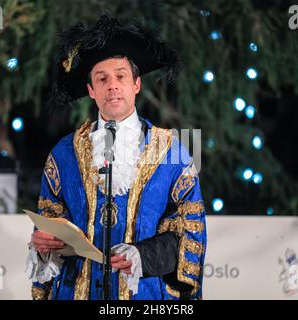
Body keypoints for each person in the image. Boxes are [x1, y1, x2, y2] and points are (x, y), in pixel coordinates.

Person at [25, 14, 207, 300]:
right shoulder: (63, 153)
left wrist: (142, 256)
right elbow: (49, 223)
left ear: (136, 85)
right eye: (102, 78)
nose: (112, 85)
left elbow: (189, 235)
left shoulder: (172, 153)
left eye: (120, 76)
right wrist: (43, 244)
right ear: (91, 91)